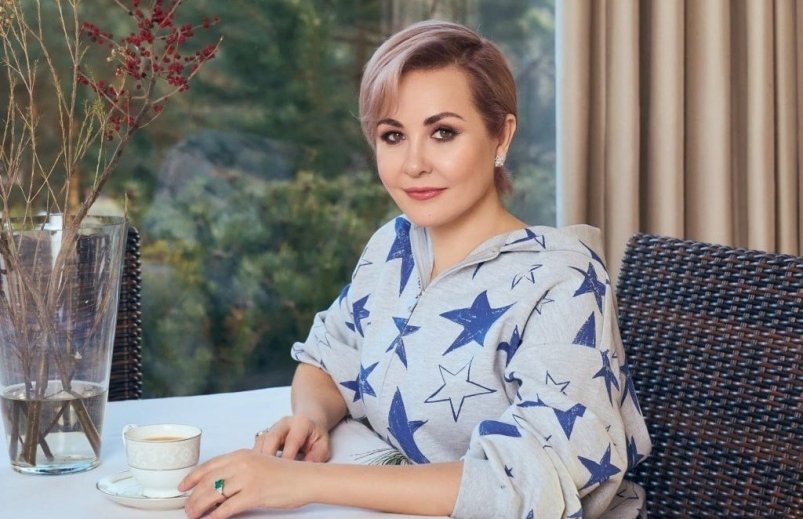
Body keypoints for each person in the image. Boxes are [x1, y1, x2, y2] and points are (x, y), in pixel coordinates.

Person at [180, 20, 651, 519]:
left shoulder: (563, 282)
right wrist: (311, 419)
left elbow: (531, 483)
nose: (413, 164)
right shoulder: (395, 244)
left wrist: (301, 481)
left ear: (501, 136)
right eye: (393, 135)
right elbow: (329, 357)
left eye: (443, 132)